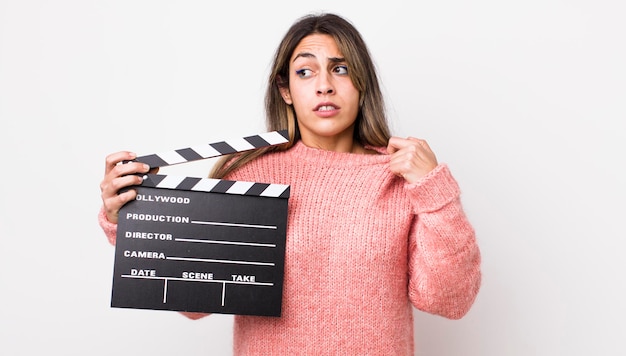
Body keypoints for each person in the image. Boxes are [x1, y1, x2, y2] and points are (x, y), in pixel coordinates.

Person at [99, 12, 481, 355]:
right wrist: (128, 218)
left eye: (341, 69)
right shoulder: (248, 174)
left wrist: (436, 193)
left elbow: (449, 300)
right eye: (305, 71)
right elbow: (195, 303)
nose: (324, 86)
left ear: (362, 82)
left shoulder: (400, 177)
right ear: (286, 90)